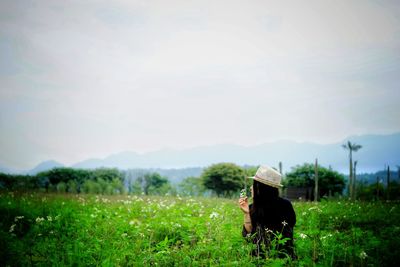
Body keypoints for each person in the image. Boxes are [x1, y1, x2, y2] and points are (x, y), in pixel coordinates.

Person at [239, 165, 296, 258]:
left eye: (254, 184)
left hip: (281, 258)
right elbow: (248, 236)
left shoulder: (284, 206)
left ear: (262, 188)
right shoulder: (252, 207)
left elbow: (286, 237)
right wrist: (246, 213)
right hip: (258, 258)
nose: (250, 188)